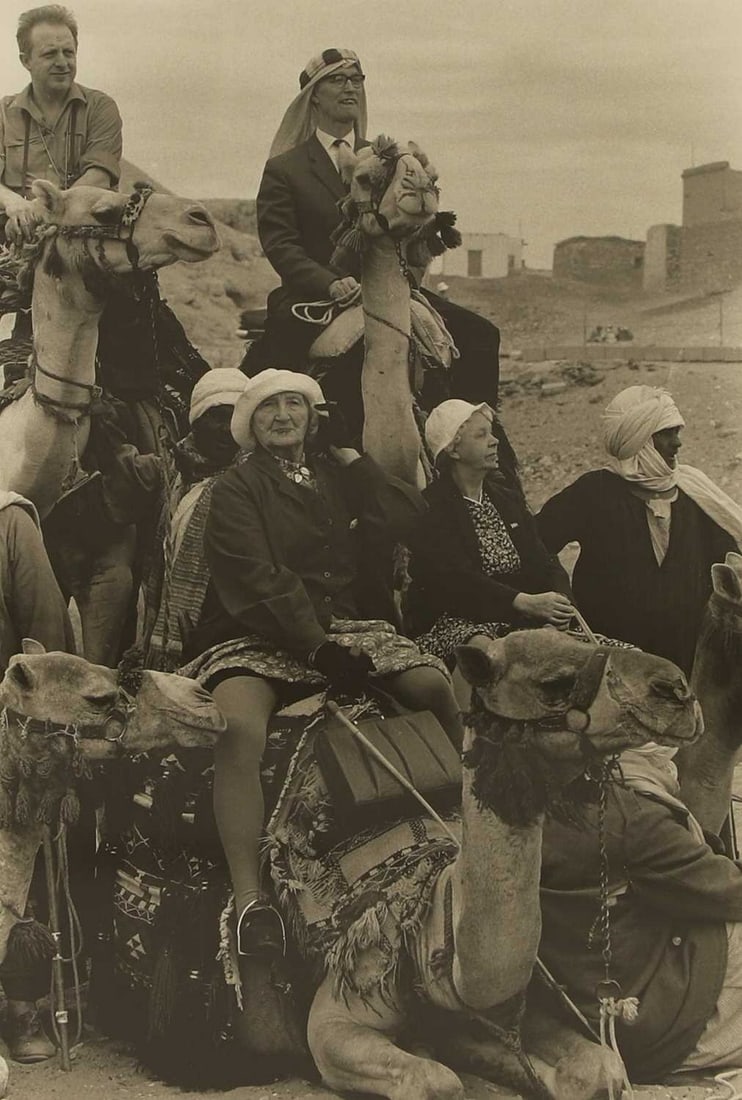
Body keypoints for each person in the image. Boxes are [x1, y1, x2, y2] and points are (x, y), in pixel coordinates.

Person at [181, 368, 462, 968]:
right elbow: (259, 579)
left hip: (338, 627)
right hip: (256, 631)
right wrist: (316, 648)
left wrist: (355, 459)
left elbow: (407, 515)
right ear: (249, 426)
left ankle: (471, 834)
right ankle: (250, 899)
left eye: (295, 405)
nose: (283, 416)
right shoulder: (234, 489)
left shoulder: (334, 477)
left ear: (314, 418)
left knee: (432, 686)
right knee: (239, 726)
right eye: (268, 409)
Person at [248, 48, 501, 411]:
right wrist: (329, 282)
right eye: (338, 80)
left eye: (357, 80)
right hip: (315, 296)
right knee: (274, 373)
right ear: (313, 94)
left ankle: (479, 445)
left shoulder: (388, 160)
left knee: (480, 336)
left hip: (388, 288)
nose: (350, 87)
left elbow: (409, 223)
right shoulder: (286, 168)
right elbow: (280, 244)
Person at [539, 751, 742, 1083]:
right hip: (653, 1019)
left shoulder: (545, 798)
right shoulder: (630, 814)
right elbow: (728, 890)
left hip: (585, 1003)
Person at [536, 385, 742, 675]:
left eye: (677, 432)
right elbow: (534, 545)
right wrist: (560, 594)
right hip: (611, 662)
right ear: (639, 440)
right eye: (667, 434)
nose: (678, 444)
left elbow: (731, 560)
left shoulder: (696, 495)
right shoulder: (594, 492)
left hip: (684, 664)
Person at [406, 399, 574, 674]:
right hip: (460, 622)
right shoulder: (432, 509)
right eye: (481, 434)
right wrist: (523, 602)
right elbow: (458, 581)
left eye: (491, 432)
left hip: (522, 618)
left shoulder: (506, 500)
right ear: (453, 450)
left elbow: (545, 561)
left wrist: (559, 606)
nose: (495, 441)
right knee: (497, 661)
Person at [0, 490, 75, 1064]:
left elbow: (43, 633)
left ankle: (18, 1010)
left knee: (12, 878)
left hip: (4, 728)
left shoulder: (9, 521)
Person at [144, 367, 250, 670]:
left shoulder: (252, 483)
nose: (226, 428)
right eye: (216, 416)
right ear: (196, 422)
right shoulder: (177, 476)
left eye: (234, 417)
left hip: (228, 628)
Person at [0, 4, 122, 244]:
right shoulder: (3, 113)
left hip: (84, 234)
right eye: (49, 54)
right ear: (26, 61)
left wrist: (40, 210)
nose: (62, 62)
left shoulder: (100, 108)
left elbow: (99, 177)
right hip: (13, 234)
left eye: (68, 52)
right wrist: (11, 202)